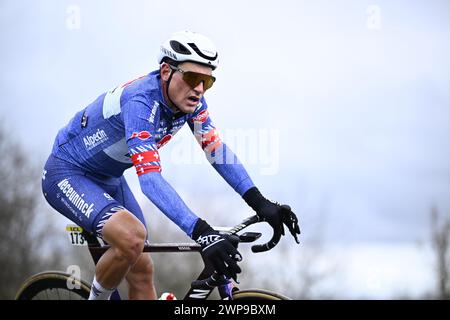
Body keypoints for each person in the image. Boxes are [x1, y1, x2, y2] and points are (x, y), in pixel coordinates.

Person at [41, 30, 300, 300]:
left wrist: (260, 202)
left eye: (207, 81)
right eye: (192, 78)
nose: (199, 89)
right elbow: (150, 180)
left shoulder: (191, 102)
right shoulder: (140, 103)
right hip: (67, 173)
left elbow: (215, 150)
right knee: (132, 239)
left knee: (141, 271)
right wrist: (201, 232)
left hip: (110, 178)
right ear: (166, 71)